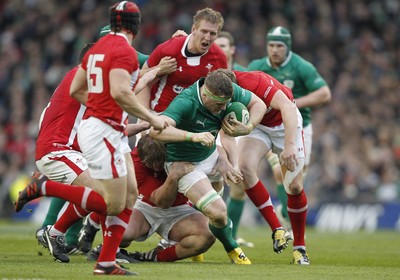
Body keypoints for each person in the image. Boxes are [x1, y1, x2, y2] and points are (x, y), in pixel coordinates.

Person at [15, 1, 168, 276]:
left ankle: (101, 259)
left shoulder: (91, 61)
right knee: (108, 198)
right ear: (136, 26)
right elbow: (124, 92)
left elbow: (86, 92)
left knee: (128, 196)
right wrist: (153, 114)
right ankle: (45, 192)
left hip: (93, 137)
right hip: (64, 147)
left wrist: (128, 118)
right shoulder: (122, 54)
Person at [148, 70, 267, 264]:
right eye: (219, 105)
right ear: (205, 95)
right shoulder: (186, 102)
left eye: (225, 104)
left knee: (216, 209)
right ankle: (233, 249)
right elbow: (155, 130)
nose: (222, 109)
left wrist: (249, 127)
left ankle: (196, 240)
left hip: (209, 154)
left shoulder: (225, 90)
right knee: (218, 212)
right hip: (185, 164)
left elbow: (258, 103)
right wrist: (191, 136)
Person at [217, 68, 310, 265]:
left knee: (293, 187)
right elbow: (226, 133)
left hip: (285, 124)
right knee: (244, 168)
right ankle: (277, 229)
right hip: (257, 127)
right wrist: (231, 164)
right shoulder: (217, 93)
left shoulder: (255, 82)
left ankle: (299, 248)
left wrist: (290, 145)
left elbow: (288, 107)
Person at [247, 26, 331, 235]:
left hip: (299, 127)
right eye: (271, 45)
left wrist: (290, 104)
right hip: (264, 126)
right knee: (277, 171)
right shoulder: (256, 66)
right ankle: (285, 221)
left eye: (279, 46)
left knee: (294, 181)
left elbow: (324, 94)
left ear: (288, 47)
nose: (274, 50)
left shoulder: (301, 66)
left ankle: (286, 213)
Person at [86, 134, 216, 263]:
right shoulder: (134, 162)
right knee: (122, 234)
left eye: (160, 162)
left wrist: (223, 162)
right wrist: (173, 176)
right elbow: (162, 202)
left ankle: (154, 257)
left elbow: (214, 144)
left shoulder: (179, 150)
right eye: (150, 164)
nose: (156, 167)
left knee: (207, 235)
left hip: (180, 209)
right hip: (145, 207)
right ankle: (104, 248)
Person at [137, 7, 227, 113]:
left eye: (212, 33)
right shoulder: (169, 49)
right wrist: (144, 116)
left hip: (192, 121)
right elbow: (144, 81)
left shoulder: (219, 58)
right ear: (194, 29)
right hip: (159, 113)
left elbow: (221, 94)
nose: (207, 38)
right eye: (204, 31)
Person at [215, 31, 254, 248]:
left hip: (235, 131)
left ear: (232, 50)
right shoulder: (208, 72)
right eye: (216, 45)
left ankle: (233, 233)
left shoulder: (243, 74)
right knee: (215, 182)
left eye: (223, 45)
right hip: (213, 129)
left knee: (239, 185)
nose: (220, 49)